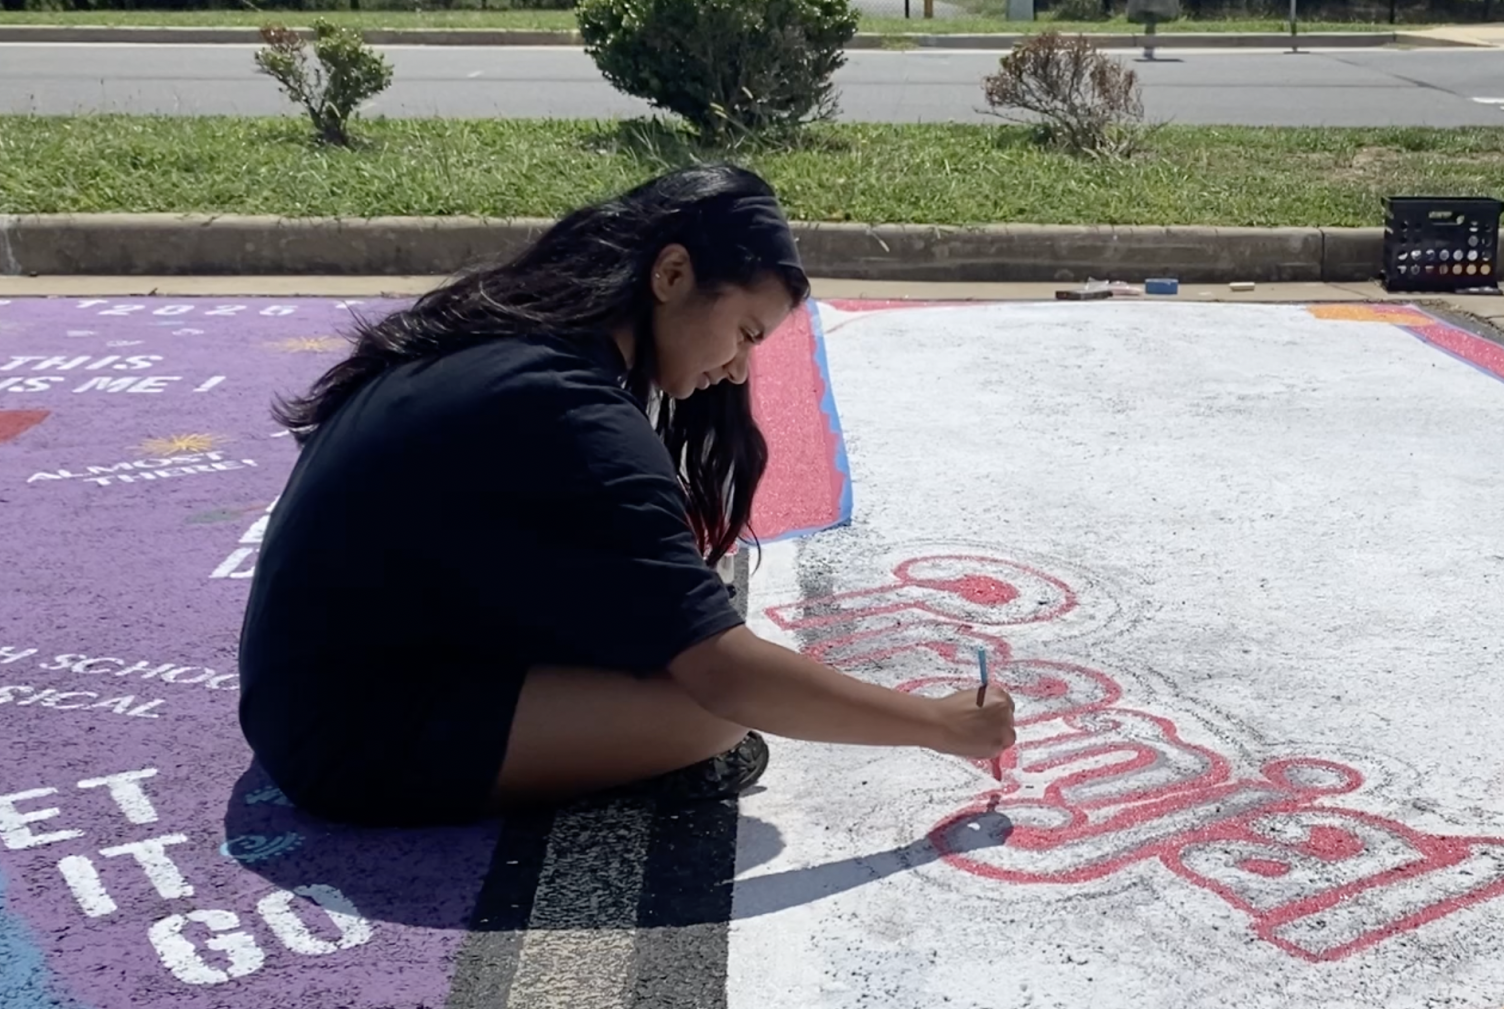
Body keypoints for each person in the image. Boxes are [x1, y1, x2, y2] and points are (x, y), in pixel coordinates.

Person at [238, 164, 1016, 828]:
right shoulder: (575, 415)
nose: (741, 370)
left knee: (662, 626)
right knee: (705, 716)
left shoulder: (512, 343)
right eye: (745, 333)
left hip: (313, 677)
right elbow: (728, 675)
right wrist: (939, 724)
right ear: (671, 275)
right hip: (341, 735)